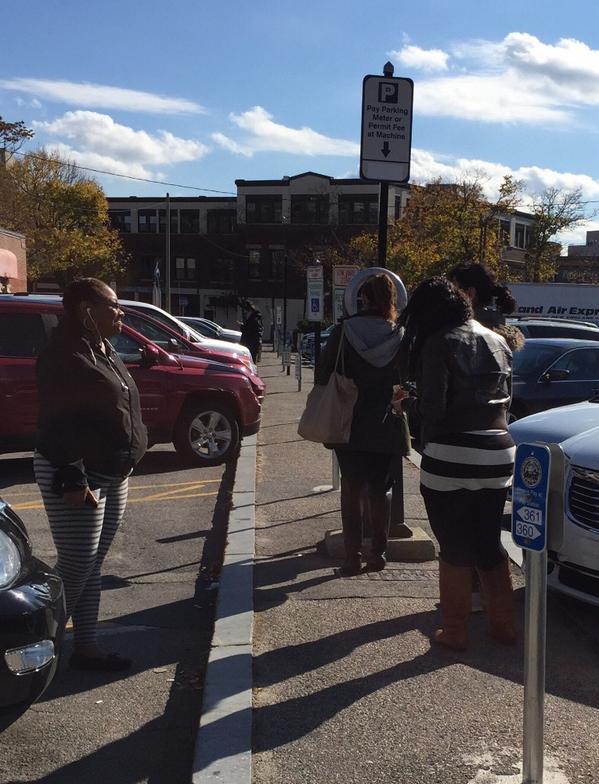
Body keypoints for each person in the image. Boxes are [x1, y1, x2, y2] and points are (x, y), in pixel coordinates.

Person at [396, 277, 516, 650]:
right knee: (489, 543)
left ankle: (456, 630)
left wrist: (406, 403)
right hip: (499, 450)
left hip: (451, 451)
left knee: (453, 545)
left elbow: (433, 408)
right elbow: (507, 400)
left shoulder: (439, 342)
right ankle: (504, 626)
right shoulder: (497, 340)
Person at [34, 278, 147, 672]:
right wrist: (73, 475)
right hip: (78, 472)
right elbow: (56, 421)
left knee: (93, 563)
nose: (120, 312)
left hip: (115, 471)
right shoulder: (62, 355)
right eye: (113, 306)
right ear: (86, 311)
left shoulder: (103, 347)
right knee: (77, 563)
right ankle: (34, 642)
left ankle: (86, 647)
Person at [315, 273, 409, 576]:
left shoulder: (343, 332)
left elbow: (322, 373)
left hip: (348, 420)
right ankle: (378, 553)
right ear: (392, 300)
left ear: (363, 298)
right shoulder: (399, 335)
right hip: (383, 422)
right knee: (379, 491)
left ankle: (352, 556)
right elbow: (406, 380)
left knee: (351, 489)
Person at [449, 262, 516, 329]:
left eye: (454, 289)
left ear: (470, 293)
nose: (450, 293)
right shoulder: (498, 322)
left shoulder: (458, 324)